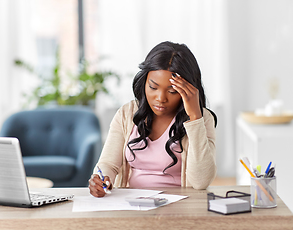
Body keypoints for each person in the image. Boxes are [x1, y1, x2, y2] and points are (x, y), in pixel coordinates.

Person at [89, 41, 217, 197]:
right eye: (153, 87)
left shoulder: (202, 119)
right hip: (133, 206)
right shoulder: (126, 113)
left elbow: (201, 182)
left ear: (188, 90)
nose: (160, 98)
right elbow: (108, 164)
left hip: (180, 208)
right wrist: (101, 180)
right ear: (144, 82)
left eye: (172, 91)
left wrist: (195, 117)